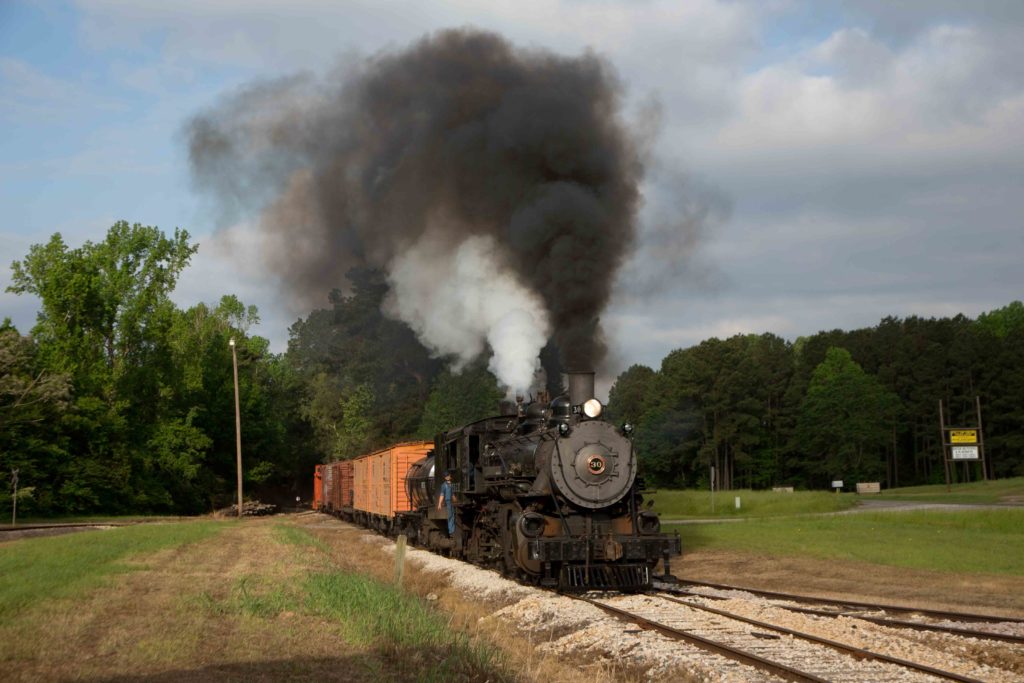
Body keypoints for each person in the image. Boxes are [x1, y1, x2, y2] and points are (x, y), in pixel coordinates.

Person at [436, 470, 455, 537]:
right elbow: (442, 495)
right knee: (450, 516)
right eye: (446, 476)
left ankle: (452, 530)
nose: (448, 477)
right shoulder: (444, 485)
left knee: (452, 515)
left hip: (452, 502)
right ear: (445, 477)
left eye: (448, 475)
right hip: (447, 502)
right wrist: (439, 504)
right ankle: (451, 531)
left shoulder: (451, 484)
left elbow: (452, 494)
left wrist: (455, 500)